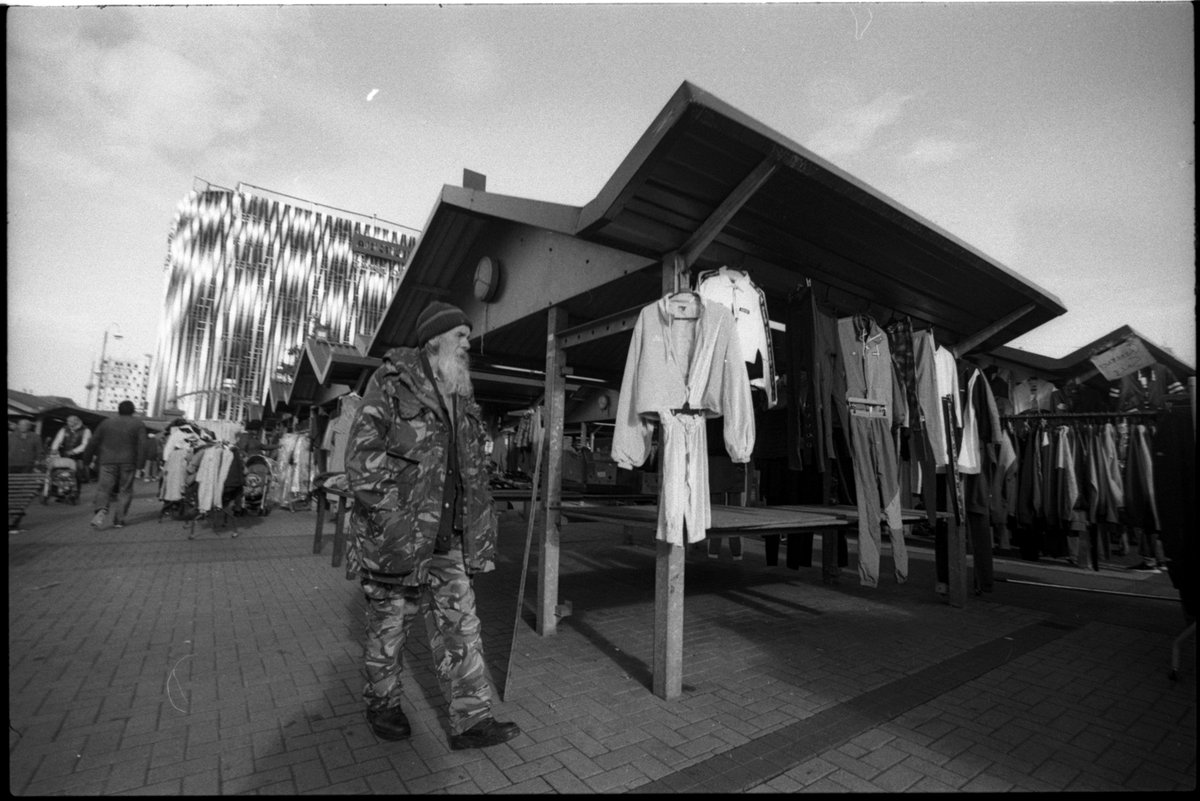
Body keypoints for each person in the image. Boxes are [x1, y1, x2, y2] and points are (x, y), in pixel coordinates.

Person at [344, 301, 519, 750]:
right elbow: (362, 460)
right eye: (460, 335)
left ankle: (472, 721)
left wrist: (480, 527)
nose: (468, 343)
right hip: (396, 538)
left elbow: (472, 469)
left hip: (449, 538)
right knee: (389, 626)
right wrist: (395, 520)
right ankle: (382, 704)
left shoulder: (462, 391)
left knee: (463, 626)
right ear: (435, 339)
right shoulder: (391, 380)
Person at [81, 400, 149, 529]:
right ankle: (119, 519)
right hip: (128, 461)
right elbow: (143, 445)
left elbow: (93, 442)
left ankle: (101, 510)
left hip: (107, 461)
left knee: (104, 488)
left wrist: (86, 459)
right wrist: (141, 464)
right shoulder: (138, 424)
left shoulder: (106, 423)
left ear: (118, 410)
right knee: (125, 490)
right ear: (133, 411)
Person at [49, 415, 92, 486]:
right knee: (61, 471)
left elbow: (85, 445)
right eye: (68, 421)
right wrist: (54, 449)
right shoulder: (64, 429)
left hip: (80, 456)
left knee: (78, 472)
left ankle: (77, 488)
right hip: (66, 454)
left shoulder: (86, 430)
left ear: (76, 421)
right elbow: (58, 439)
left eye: (70, 421)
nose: (68, 423)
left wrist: (73, 451)